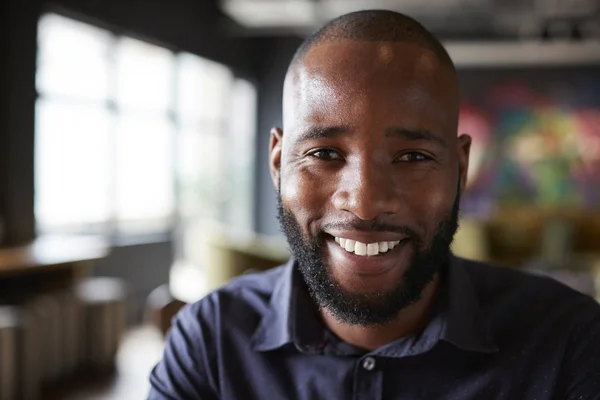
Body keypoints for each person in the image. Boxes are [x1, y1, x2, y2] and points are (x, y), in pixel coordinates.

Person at [148, 10, 600, 400]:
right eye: (325, 153)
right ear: (279, 163)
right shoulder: (211, 342)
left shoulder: (568, 341)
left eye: (413, 157)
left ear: (459, 170)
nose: (364, 203)